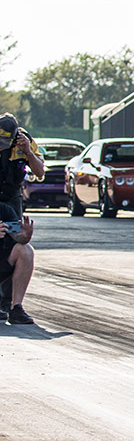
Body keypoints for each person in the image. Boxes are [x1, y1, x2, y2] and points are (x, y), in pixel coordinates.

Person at [0, 114, 43, 317]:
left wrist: (28, 152)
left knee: (17, 243)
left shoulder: (25, 142)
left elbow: (40, 172)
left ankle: (11, 305)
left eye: (4, 142)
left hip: (10, 197)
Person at [0, 204, 34, 325]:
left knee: (25, 250)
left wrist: (24, 237)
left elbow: (17, 237)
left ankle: (16, 308)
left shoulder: (4, 210)